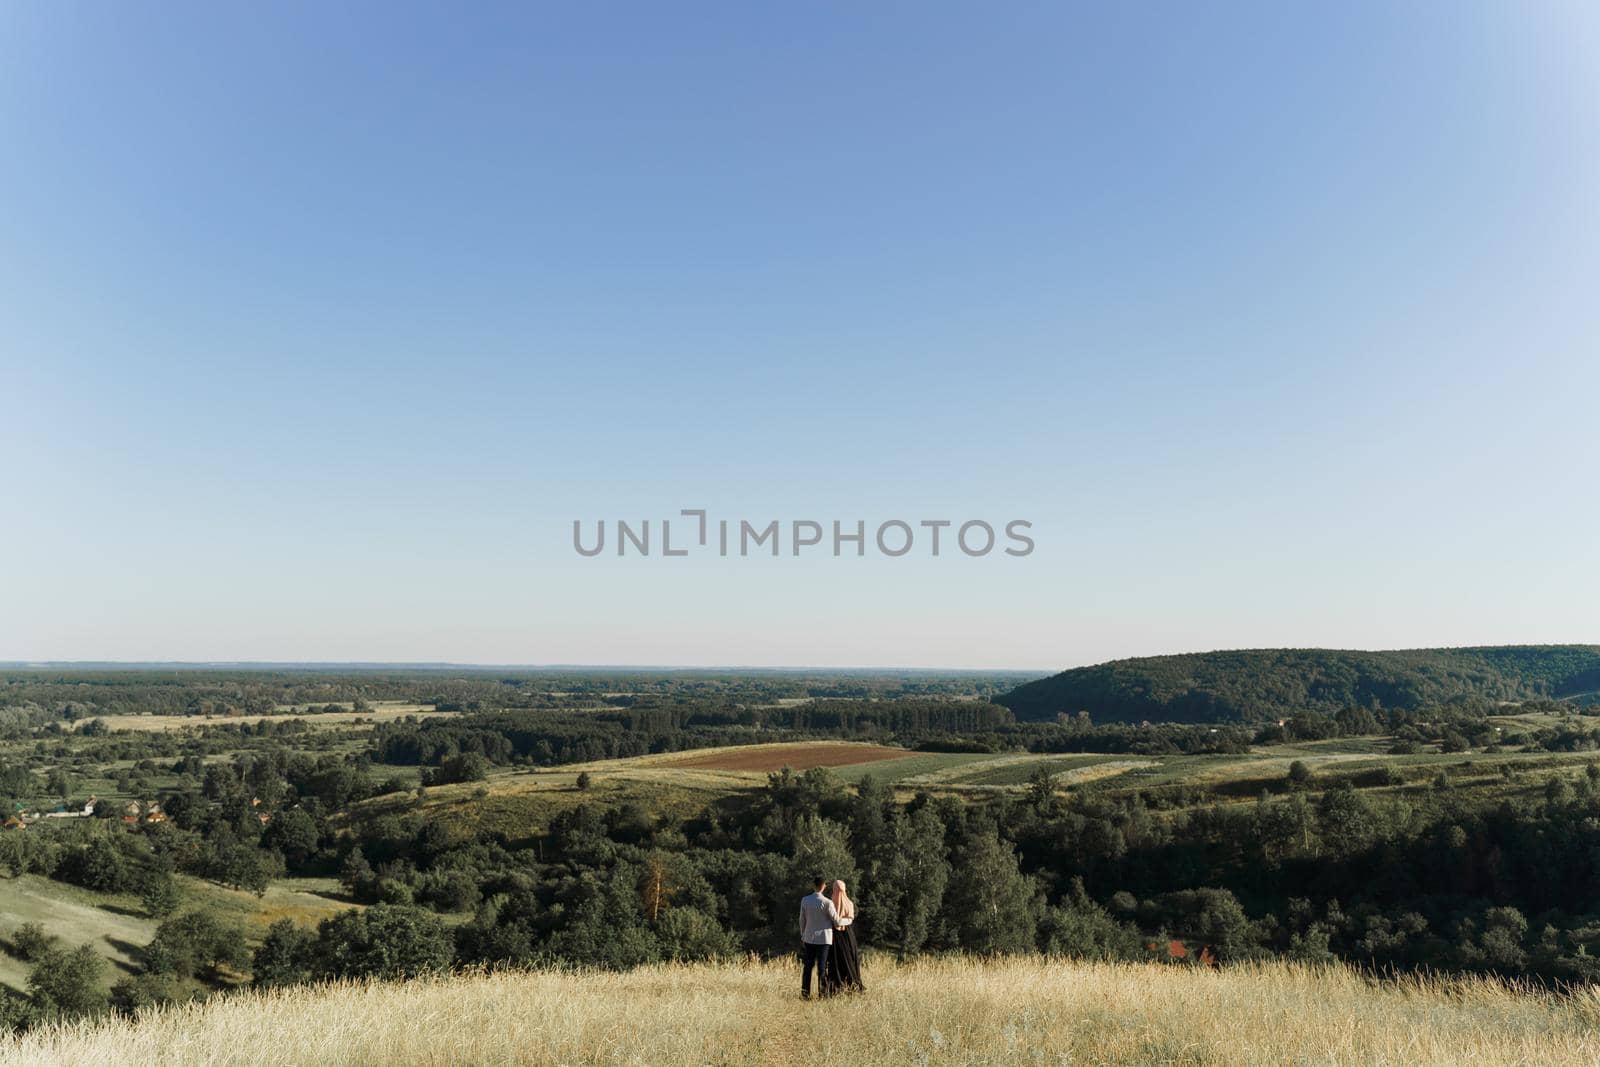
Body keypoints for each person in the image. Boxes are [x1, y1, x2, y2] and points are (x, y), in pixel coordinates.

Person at [798, 874, 841, 998]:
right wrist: (848, 920)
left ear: (813, 885)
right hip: (824, 939)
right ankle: (822, 994)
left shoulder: (805, 900)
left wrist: (803, 934)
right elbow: (836, 921)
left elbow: (802, 919)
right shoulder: (827, 902)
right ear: (824, 886)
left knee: (807, 967)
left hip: (809, 937)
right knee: (822, 968)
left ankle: (805, 993)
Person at [822, 878, 864, 995]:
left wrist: (837, 922)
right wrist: (841, 921)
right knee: (845, 959)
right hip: (846, 935)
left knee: (837, 960)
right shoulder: (848, 903)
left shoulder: (829, 903)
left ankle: (838, 988)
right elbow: (850, 919)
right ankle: (848, 987)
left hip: (835, 935)